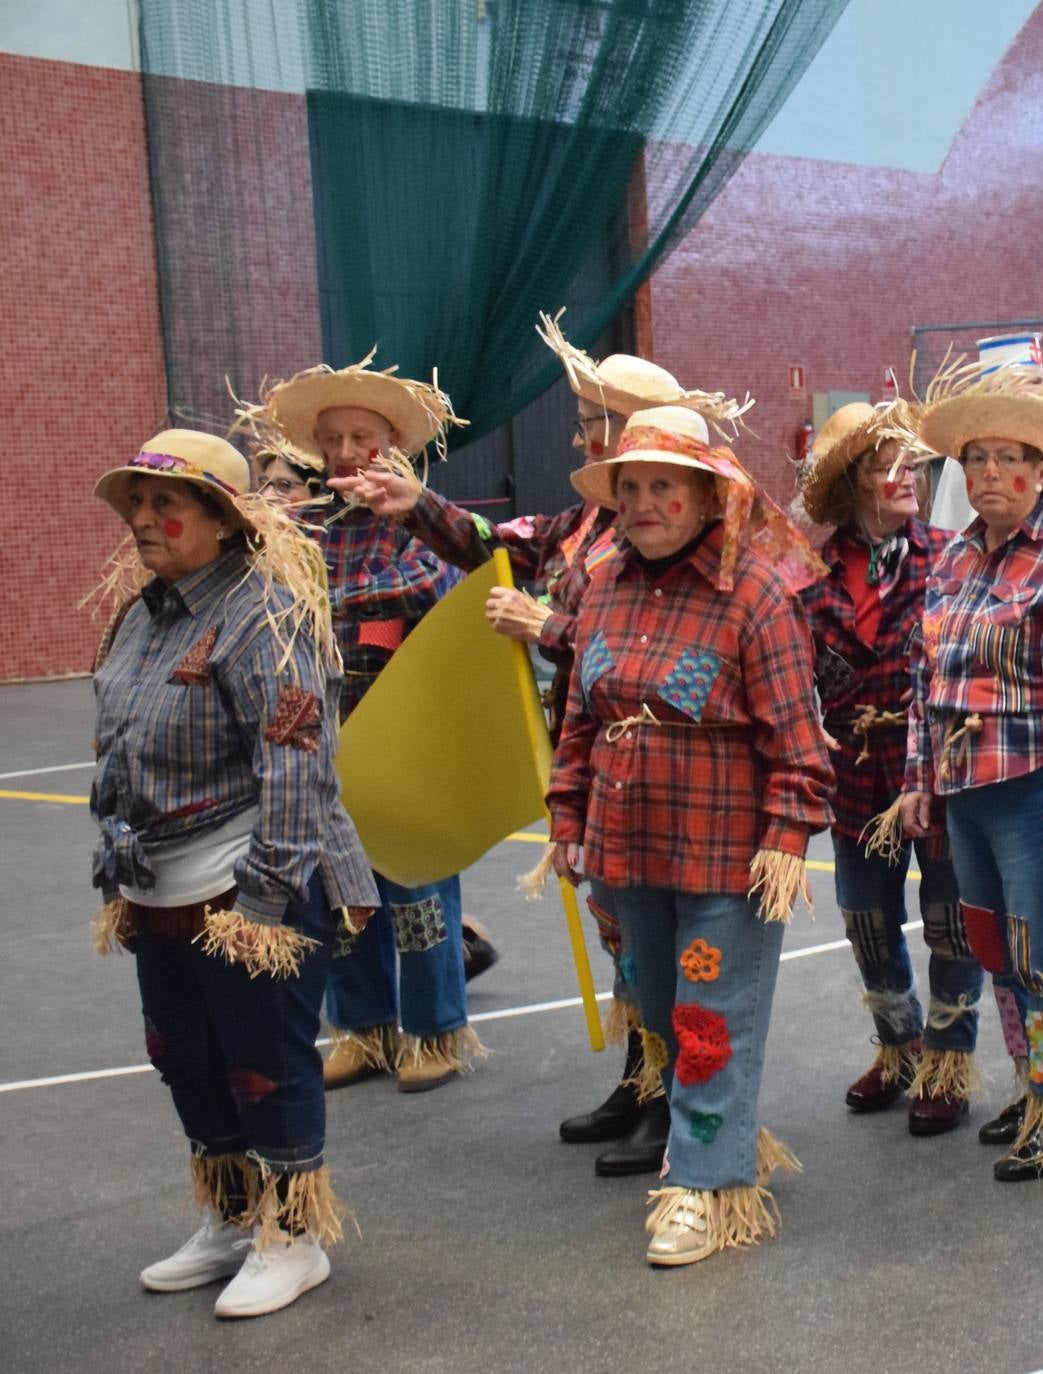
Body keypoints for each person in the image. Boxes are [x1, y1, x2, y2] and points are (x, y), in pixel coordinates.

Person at [324, 318, 731, 1170]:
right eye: (586, 420)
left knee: (664, 942)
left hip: (674, 773)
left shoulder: (673, 536)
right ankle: (643, 1080)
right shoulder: (584, 525)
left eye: (603, 422)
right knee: (625, 932)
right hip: (598, 766)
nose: (587, 437)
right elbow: (496, 549)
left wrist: (554, 629)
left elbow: (672, 659)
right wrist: (419, 507)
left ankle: (680, 1102)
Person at [88, 430, 379, 1318]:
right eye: (135, 503)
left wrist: (262, 903)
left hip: (256, 880)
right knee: (182, 1055)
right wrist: (117, 863)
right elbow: (114, 744)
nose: (144, 519)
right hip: (159, 885)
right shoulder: (143, 613)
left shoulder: (268, 615)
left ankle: (292, 1236)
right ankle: (232, 1212)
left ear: (221, 518)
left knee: (262, 1058)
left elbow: (296, 764)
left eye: (163, 503)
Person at [546, 404, 831, 1266]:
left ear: (709, 497)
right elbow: (579, 719)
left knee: (712, 1021)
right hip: (626, 854)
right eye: (628, 487)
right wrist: (566, 813)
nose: (641, 503)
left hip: (724, 861)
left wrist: (786, 835)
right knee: (668, 1018)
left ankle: (707, 1188)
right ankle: (713, 1143)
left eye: (662, 485)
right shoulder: (603, 586)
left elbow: (799, 739)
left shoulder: (755, 595)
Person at [888, 360, 1043, 1185]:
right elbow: (926, 684)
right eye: (974, 460)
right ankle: (1033, 1089)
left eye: (1006, 458)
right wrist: (919, 782)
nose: (988, 474)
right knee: (995, 950)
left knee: (1040, 955)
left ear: (1040, 468)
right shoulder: (953, 559)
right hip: (964, 790)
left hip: (1030, 792)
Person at [253, 357, 482, 1094]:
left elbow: (441, 591)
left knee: (416, 895)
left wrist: (338, 605)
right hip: (328, 745)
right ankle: (363, 1028)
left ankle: (434, 1029)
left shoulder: (421, 521)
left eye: (363, 436)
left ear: (394, 445)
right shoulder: (305, 529)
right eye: (334, 438)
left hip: (409, 741)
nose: (348, 452)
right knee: (342, 900)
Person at [792, 398, 988, 1135]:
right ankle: (897, 1043)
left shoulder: (951, 556)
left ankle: (947, 1058)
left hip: (938, 775)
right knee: (867, 922)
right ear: (851, 485)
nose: (907, 476)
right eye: (887, 466)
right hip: (851, 777)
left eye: (911, 463)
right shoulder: (806, 576)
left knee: (950, 924)